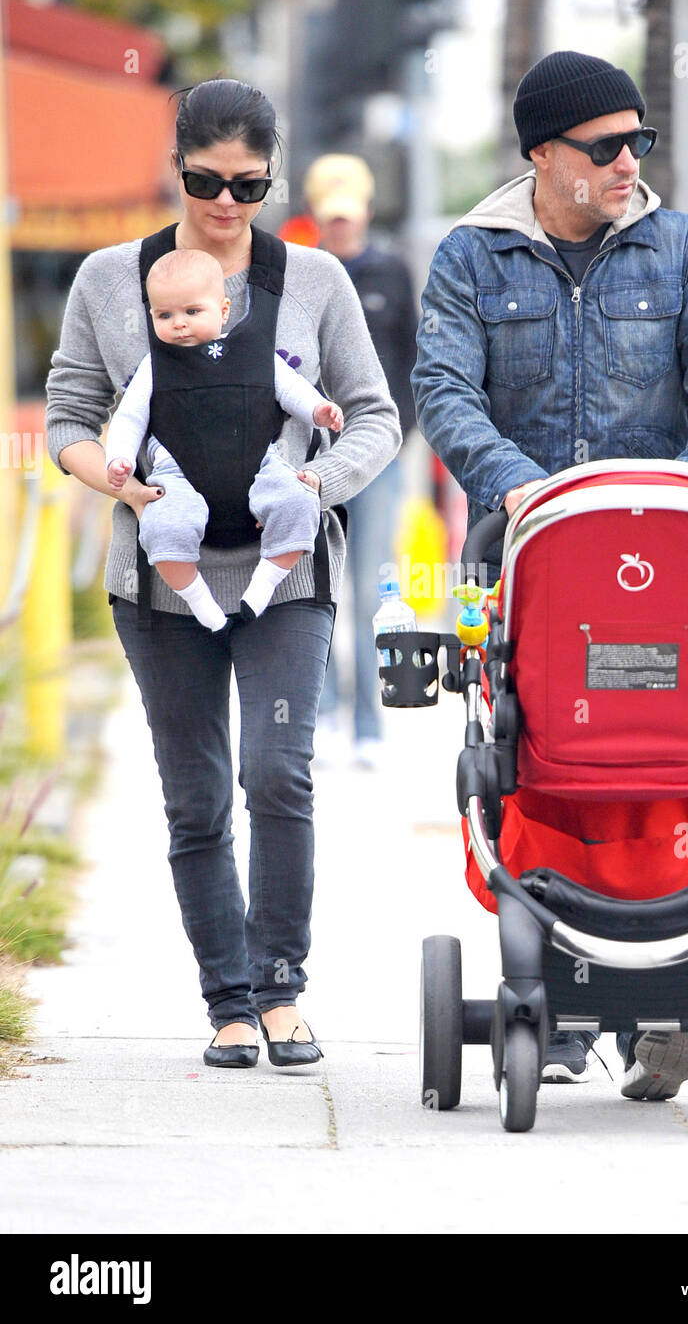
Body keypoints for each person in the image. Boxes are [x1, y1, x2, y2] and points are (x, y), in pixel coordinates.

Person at [412, 50, 688, 1095]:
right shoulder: (471, 261)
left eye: (637, 141)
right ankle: (557, 995)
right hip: (527, 564)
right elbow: (442, 386)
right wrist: (517, 487)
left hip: (666, 562)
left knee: (678, 741)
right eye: (604, 145)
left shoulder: (685, 249)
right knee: (539, 750)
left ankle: (677, 976)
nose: (627, 162)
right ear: (541, 155)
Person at [46, 79, 401, 1068]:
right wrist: (110, 482)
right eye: (205, 180)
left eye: (247, 184)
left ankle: (281, 985)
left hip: (283, 572)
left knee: (276, 771)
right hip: (161, 583)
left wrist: (315, 480)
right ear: (178, 170)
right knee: (196, 796)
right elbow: (70, 414)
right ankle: (228, 1001)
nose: (225, 202)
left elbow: (374, 414)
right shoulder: (112, 281)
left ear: (272, 176)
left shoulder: (315, 283)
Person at [105, 247, 343, 631]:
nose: (179, 323)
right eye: (165, 315)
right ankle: (199, 600)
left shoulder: (256, 353)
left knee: (300, 504)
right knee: (162, 528)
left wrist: (318, 410)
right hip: (176, 472)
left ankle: (264, 583)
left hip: (259, 462)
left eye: (192, 312)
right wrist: (120, 460)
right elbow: (129, 418)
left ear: (224, 310)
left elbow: (291, 389)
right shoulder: (155, 366)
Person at [303, 154, 419, 769]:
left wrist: (401, 433)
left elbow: (413, 355)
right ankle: (321, 711)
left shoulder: (392, 272)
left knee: (375, 585)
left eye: (350, 216)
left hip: (377, 456)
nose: (342, 226)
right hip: (316, 457)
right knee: (316, 582)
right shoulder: (303, 273)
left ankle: (370, 722)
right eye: (332, 217)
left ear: (367, 211)